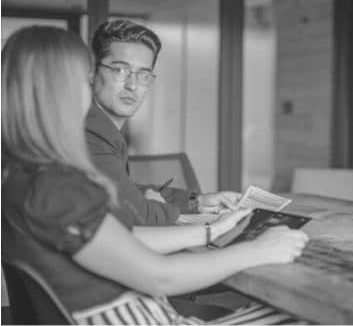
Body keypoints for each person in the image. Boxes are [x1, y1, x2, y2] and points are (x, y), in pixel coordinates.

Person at [2, 26, 309, 324]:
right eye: (84, 79)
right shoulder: (56, 186)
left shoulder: (20, 176)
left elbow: (121, 239)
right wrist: (257, 250)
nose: (89, 89)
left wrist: (210, 231)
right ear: (60, 92)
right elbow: (159, 276)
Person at [87, 19, 237, 225]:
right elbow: (137, 214)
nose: (132, 85)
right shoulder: (91, 132)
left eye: (143, 74)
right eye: (120, 70)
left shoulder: (103, 127)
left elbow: (124, 192)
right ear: (92, 72)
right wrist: (162, 209)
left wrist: (197, 202)